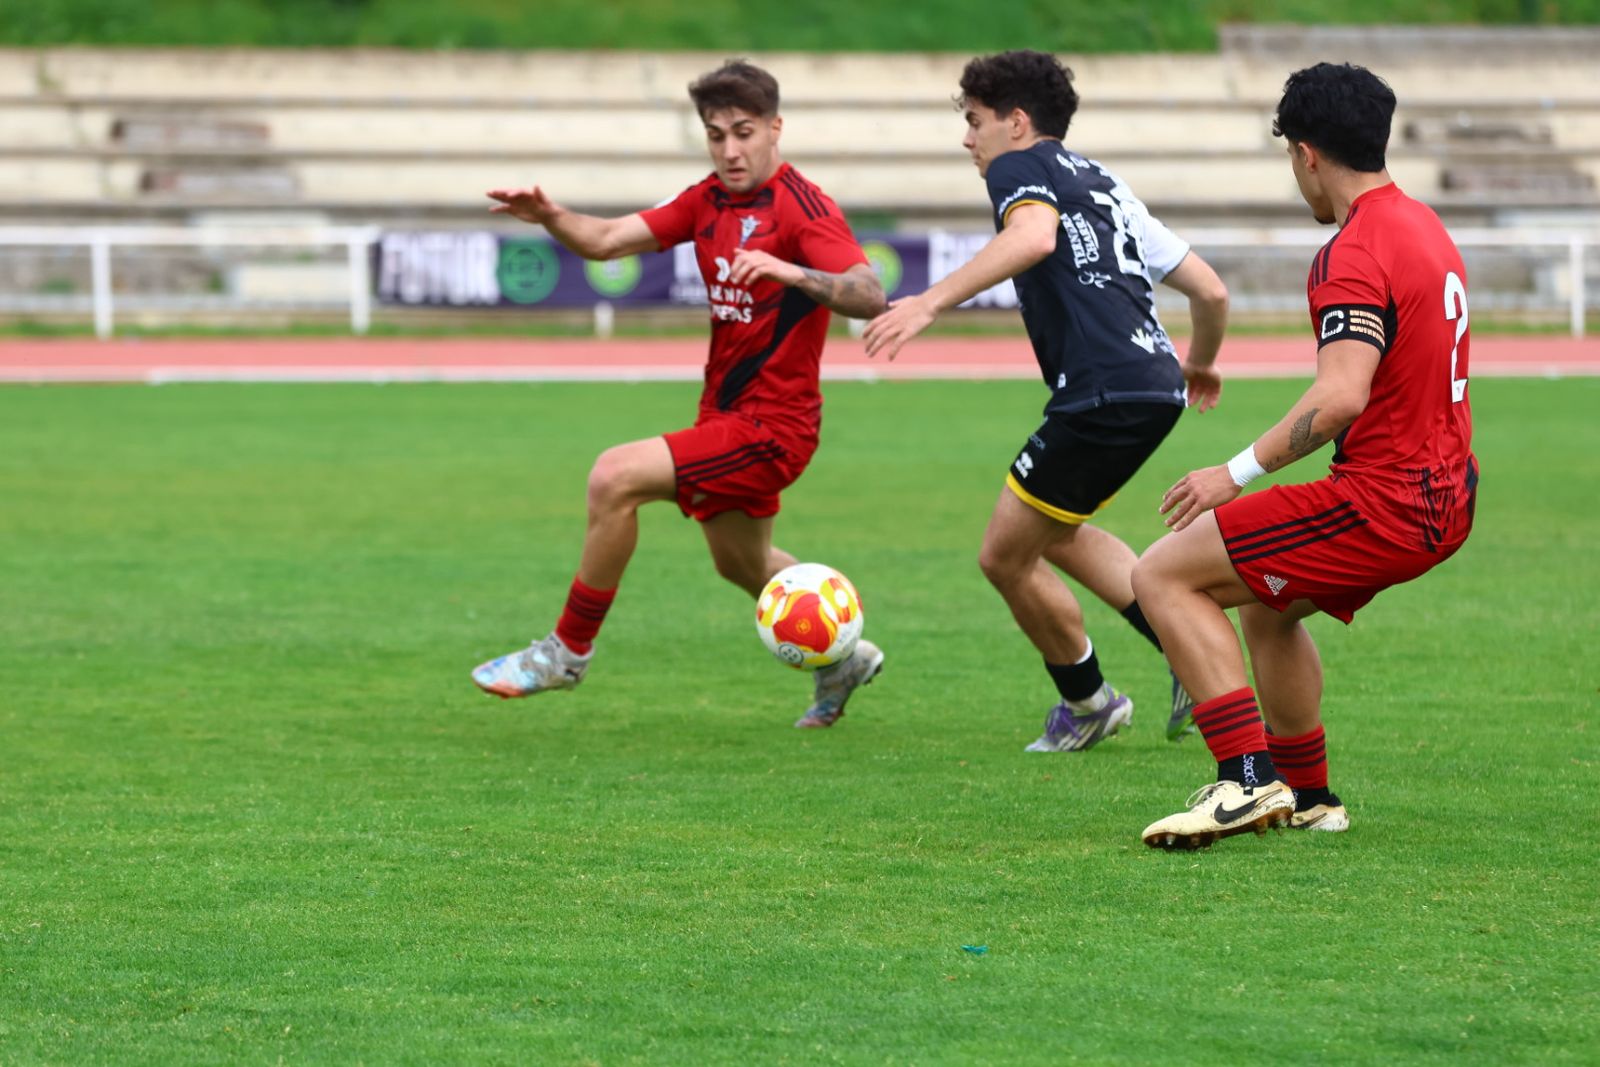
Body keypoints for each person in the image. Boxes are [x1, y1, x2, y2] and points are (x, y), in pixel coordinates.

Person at [471, 60, 888, 728]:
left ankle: (565, 652)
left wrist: (789, 268)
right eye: (715, 134)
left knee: (615, 476)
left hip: (773, 426)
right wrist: (550, 216)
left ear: (775, 128)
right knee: (740, 563)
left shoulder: (803, 208)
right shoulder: (707, 201)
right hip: (726, 415)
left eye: (743, 132)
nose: (729, 149)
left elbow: (869, 293)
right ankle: (842, 657)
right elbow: (607, 241)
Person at [1132, 62, 1478, 849]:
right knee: (1268, 600)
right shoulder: (1424, 225)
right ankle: (1311, 794)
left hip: (1388, 499)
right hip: (1445, 490)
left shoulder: (1353, 249)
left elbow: (1341, 395)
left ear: (1307, 153)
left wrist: (1234, 471)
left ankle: (1244, 781)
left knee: (1161, 573)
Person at [862, 50, 1230, 752]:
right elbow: (1210, 290)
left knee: (1004, 557)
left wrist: (929, 302)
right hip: (1152, 384)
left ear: (1017, 122)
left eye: (974, 122)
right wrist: (1200, 363)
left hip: (1101, 391)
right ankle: (1177, 645)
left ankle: (1091, 701)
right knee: (1053, 531)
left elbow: (1033, 236)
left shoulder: (1017, 167)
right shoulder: (1105, 182)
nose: (968, 140)